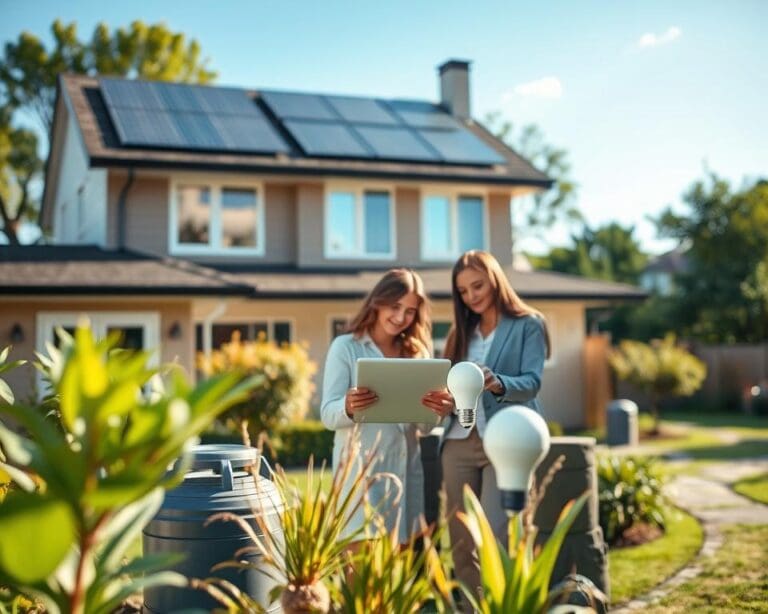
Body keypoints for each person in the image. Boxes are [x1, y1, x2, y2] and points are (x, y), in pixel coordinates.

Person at [440, 250, 551, 601]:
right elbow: (450, 388)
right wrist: (444, 399)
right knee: (461, 539)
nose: (471, 296)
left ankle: (503, 605)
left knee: (497, 534)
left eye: (478, 285)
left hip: (505, 441)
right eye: (463, 291)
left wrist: (496, 381)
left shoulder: (528, 324)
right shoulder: (461, 333)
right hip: (459, 442)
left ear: (495, 280)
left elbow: (532, 382)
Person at [320, 268, 450, 544]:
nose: (401, 317)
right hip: (360, 477)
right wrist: (349, 406)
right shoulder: (346, 347)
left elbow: (424, 428)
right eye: (395, 306)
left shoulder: (417, 353)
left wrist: (437, 411)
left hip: (406, 474)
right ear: (378, 302)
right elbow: (328, 415)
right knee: (360, 576)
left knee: (398, 576)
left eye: (411, 311)